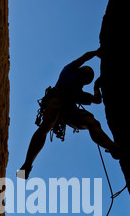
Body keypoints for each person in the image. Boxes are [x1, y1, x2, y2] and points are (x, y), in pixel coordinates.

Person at [17, 48, 121, 179]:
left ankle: (112, 147)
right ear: (80, 71)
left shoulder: (79, 94)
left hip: (69, 110)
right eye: (85, 76)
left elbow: (97, 100)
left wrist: (96, 87)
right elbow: (82, 58)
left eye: (87, 80)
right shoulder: (68, 71)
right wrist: (96, 53)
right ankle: (27, 165)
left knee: (92, 122)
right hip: (57, 99)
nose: (84, 80)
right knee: (48, 123)